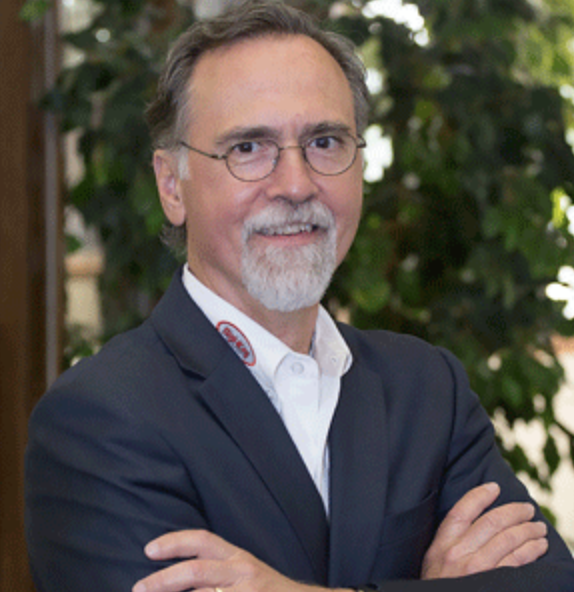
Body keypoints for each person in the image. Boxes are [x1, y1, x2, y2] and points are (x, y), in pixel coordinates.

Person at [25, 1, 574, 591]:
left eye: (325, 141)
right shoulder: (100, 419)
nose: (295, 184)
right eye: (248, 148)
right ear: (171, 186)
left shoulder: (426, 390)